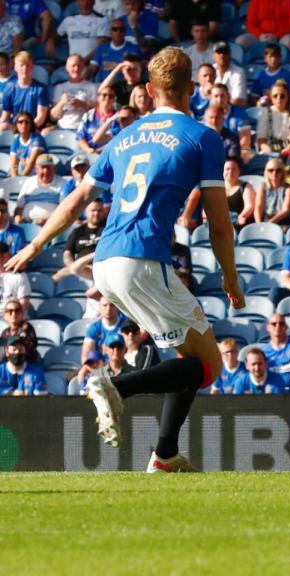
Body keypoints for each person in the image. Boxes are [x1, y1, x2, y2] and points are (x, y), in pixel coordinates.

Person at [5, 47, 245, 473]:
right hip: (144, 259)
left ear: (149, 91)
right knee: (207, 367)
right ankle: (113, 385)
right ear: (192, 88)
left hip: (106, 261)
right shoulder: (202, 136)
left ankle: (165, 456)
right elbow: (220, 225)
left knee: (183, 360)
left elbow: (78, 197)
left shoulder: (124, 136)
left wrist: (35, 244)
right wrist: (230, 277)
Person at [53, 198, 104, 284]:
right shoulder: (78, 231)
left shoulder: (108, 229)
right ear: (86, 211)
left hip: (100, 268)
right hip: (80, 269)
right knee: (55, 278)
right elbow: (67, 253)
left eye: (99, 210)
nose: (96, 213)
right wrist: (72, 266)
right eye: (93, 210)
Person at [0, 50, 47, 131]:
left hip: (34, 127)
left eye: (28, 65)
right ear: (15, 67)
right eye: (22, 65)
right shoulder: (9, 88)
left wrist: (26, 129)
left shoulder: (40, 89)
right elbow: (5, 116)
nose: (25, 68)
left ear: (32, 67)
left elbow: (41, 117)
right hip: (15, 127)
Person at [50, 54, 97, 132]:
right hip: (62, 127)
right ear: (67, 68)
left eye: (79, 66)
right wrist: (62, 103)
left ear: (83, 68)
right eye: (73, 66)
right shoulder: (59, 87)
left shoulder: (91, 87)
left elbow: (96, 113)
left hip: (82, 128)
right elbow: (53, 117)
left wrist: (82, 104)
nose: (76, 69)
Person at [256, 81, 290, 154]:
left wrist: (286, 152)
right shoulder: (265, 112)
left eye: (282, 96)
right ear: (271, 98)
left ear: (288, 97)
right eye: (275, 96)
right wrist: (270, 152)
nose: (279, 99)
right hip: (270, 149)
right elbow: (261, 140)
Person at [14, 154, 60, 224]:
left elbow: (65, 209)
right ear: (36, 169)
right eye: (43, 167)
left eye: (48, 167)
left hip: (52, 224)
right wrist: (18, 217)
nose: (45, 171)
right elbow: (19, 207)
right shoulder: (29, 182)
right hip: (27, 224)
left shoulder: (63, 183)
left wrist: (48, 221)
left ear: (54, 168)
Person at [92, 19, 142, 83]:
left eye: (121, 30)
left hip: (126, 87)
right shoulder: (102, 48)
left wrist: (114, 66)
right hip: (106, 88)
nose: (118, 32)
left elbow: (136, 68)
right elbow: (92, 68)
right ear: (110, 32)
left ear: (125, 32)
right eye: (115, 29)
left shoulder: (133, 48)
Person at [8, 110, 43, 176]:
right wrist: (15, 179)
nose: (24, 125)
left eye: (27, 122)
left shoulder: (37, 139)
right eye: (20, 122)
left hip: (35, 173)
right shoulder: (16, 140)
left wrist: (21, 181)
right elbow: (13, 165)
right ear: (16, 124)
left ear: (31, 124)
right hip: (21, 172)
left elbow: (31, 164)